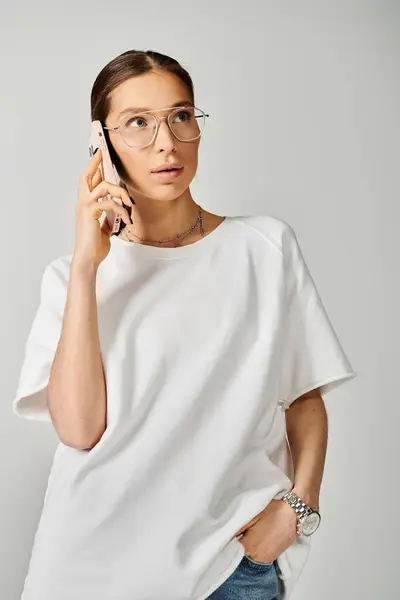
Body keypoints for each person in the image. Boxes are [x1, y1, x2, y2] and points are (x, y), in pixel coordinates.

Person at [12, 49, 357, 600]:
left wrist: (299, 508)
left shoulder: (264, 248)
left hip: (228, 570)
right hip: (86, 570)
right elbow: (79, 430)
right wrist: (85, 266)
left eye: (180, 116)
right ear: (100, 143)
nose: (166, 142)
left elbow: (304, 397)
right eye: (138, 124)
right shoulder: (72, 279)